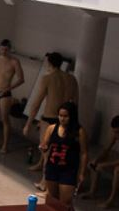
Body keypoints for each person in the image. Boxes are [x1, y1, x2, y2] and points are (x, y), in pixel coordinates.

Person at [23, 52, 78, 187]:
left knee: (47, 151)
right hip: (66, 120)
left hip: (50, 118)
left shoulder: (48, 78)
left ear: (49, 63)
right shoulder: (72, 79)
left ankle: (45, 182)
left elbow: (37, 103)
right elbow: (75, 103)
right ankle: (43, 169)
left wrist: (28, 123)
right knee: (58, 151)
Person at [40, 102, 87, 211]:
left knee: (66, 202)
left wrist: (82, 173)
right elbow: (45, 145)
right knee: (52, 199)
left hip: (69, 170)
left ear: (71, 117)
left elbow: (84, 153)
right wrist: (43, 147)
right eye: (60, 115)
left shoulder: (79, 132)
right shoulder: (51, 128)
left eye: (65, 116)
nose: (62, 119)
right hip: (52, 168)